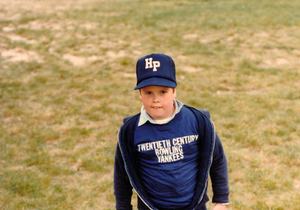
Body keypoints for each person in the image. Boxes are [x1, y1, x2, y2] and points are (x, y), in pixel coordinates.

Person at [114, 53, 230, 210]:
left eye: (163, 92)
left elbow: (217, 160)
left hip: (194, 206)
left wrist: (221, 201)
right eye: (149, 92)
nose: (156, 99)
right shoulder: (130, 131)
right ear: (140, 94)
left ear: (174, 91)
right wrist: (123, 207)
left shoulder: (198, 121)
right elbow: (122, 174)